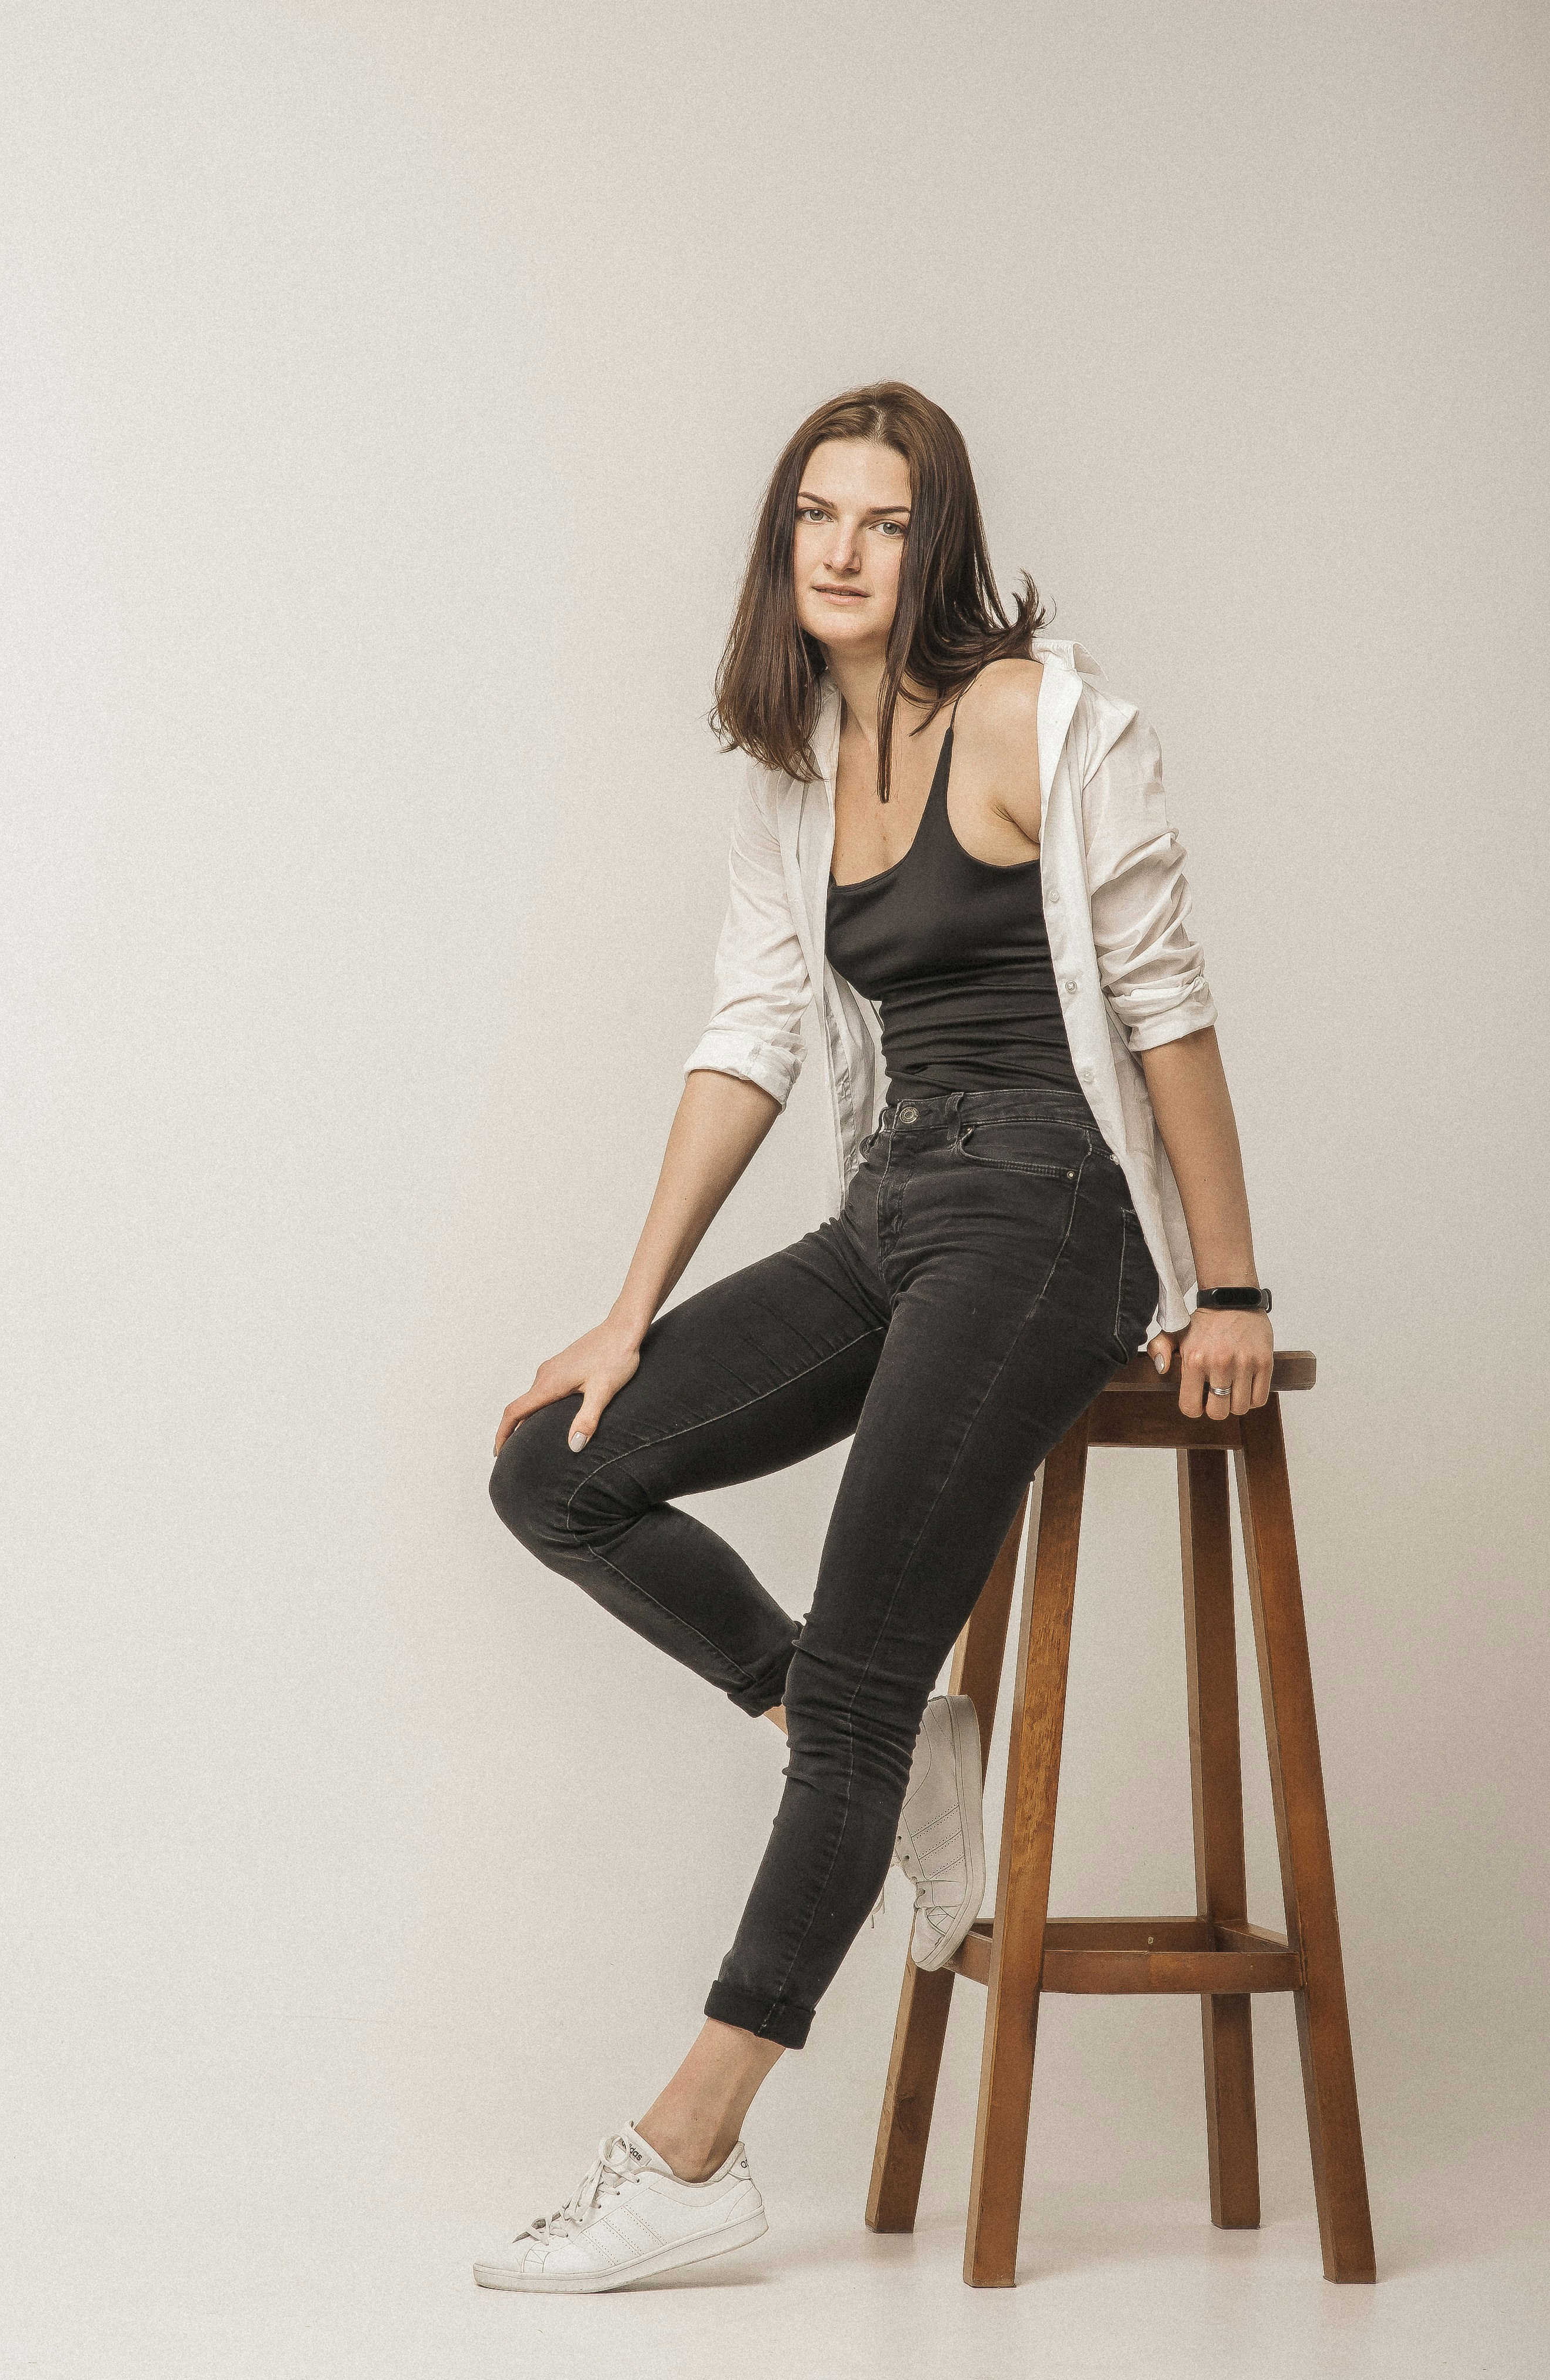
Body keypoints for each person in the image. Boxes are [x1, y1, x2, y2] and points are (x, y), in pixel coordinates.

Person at [475, 382, 1274, 2294]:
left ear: (939, 543)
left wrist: (1230, 1288)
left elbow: (1161, 1001)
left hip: (1047, 1218)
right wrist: (626, 1314)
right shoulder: (795, 768)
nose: (843, 550)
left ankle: (691, 2149)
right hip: (894, 1206)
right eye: (815, 515)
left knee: (847, 1670)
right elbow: (750, 1038)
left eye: (885, 520)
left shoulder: (1035, 719)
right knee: (552, 1474)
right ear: (783, 542)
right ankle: (897, 1744)